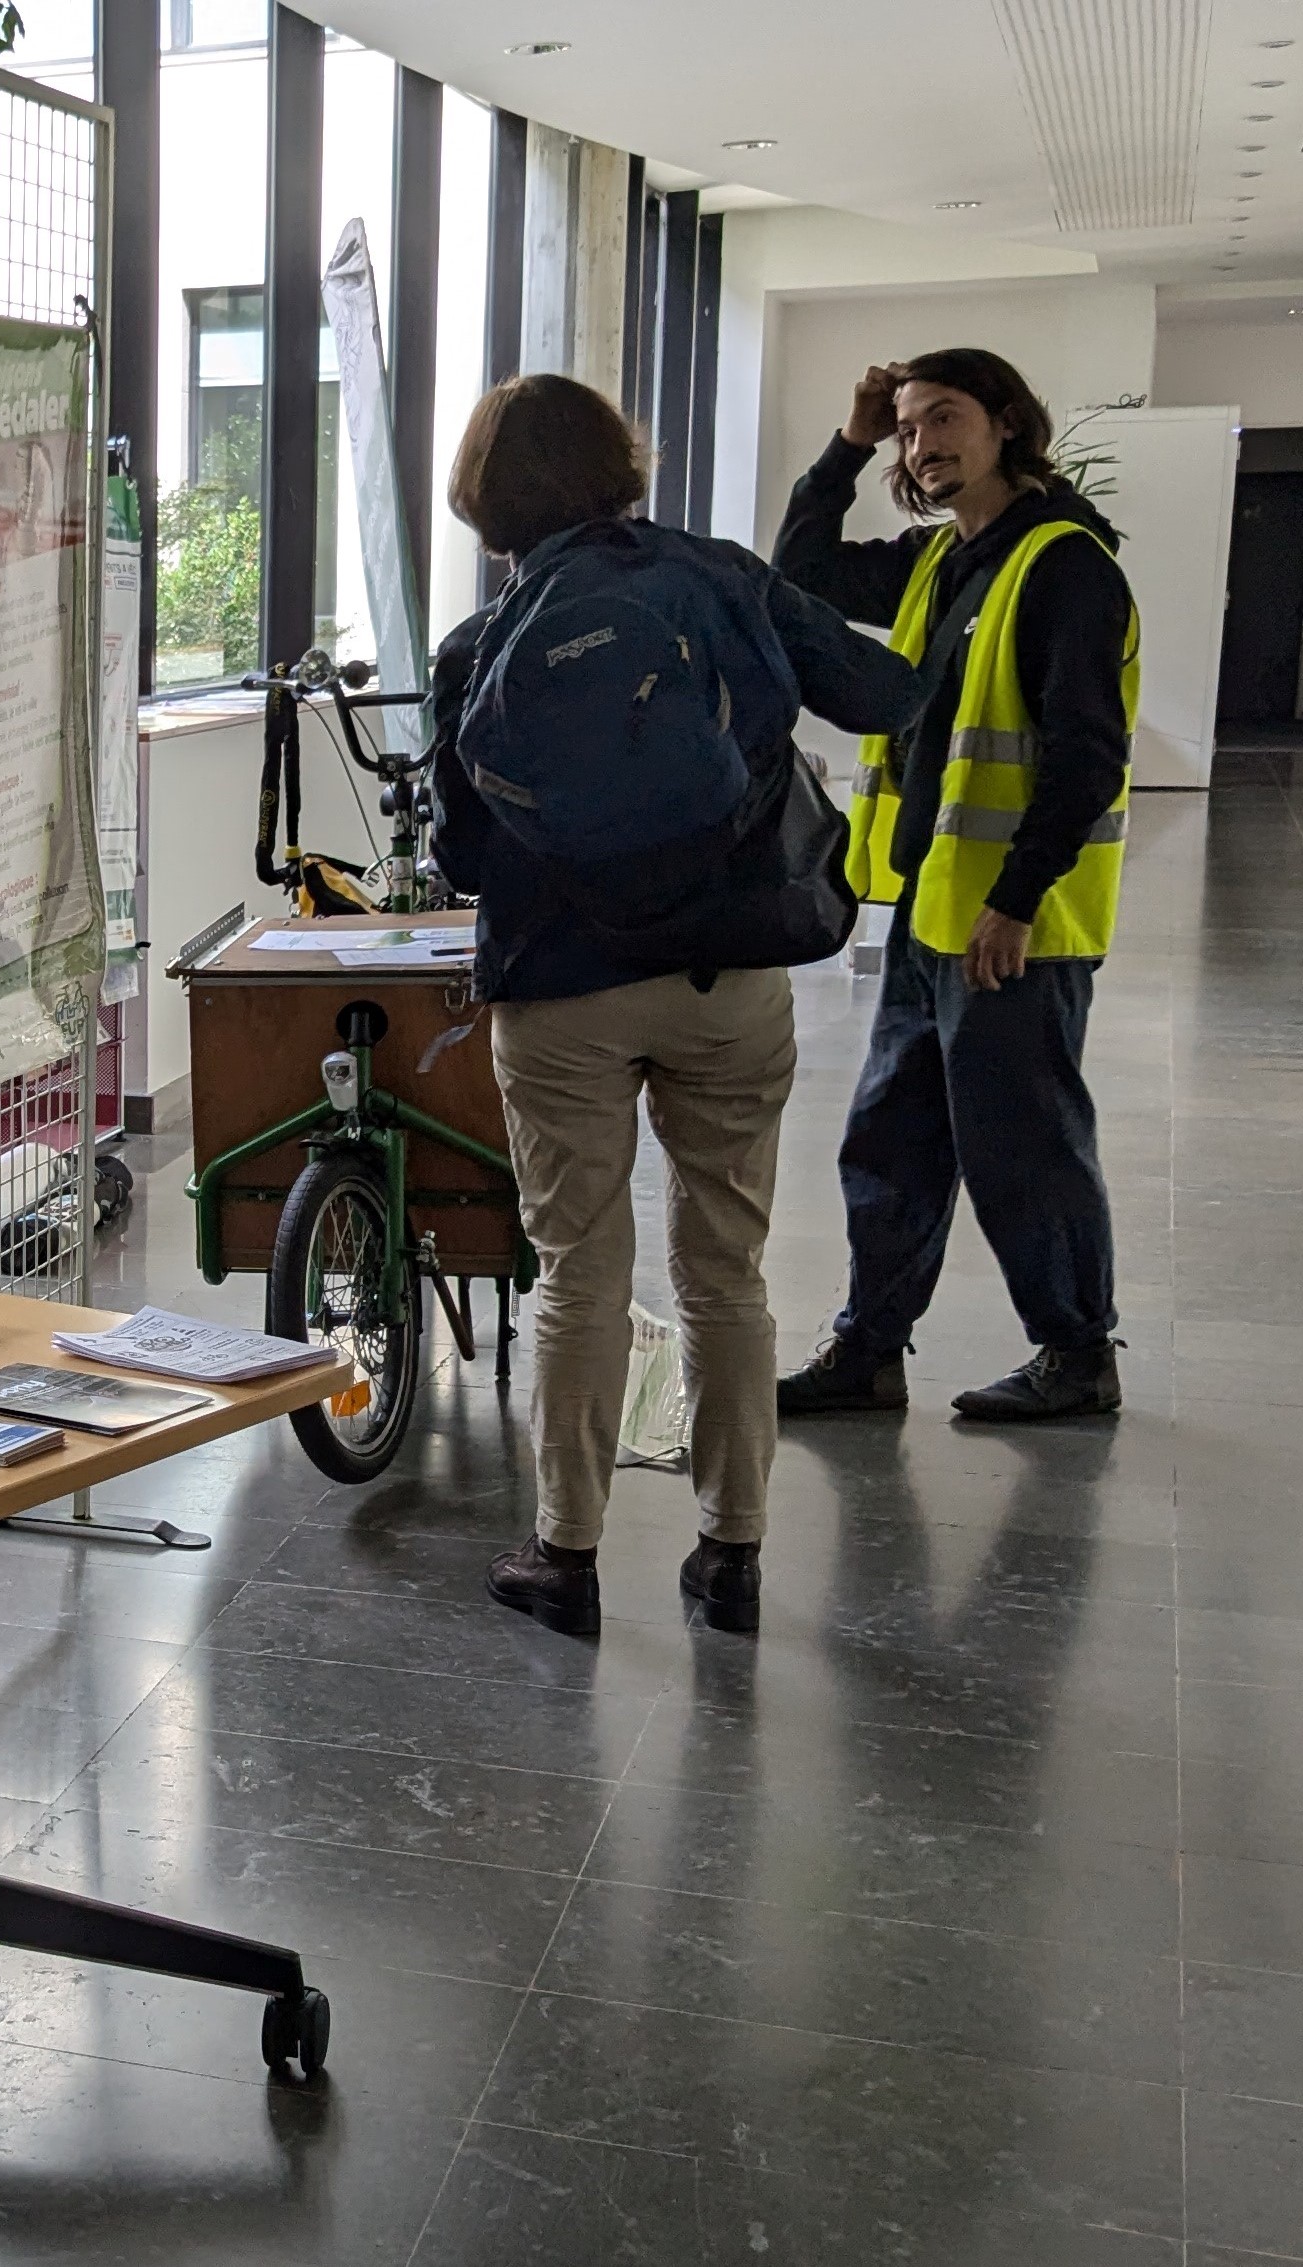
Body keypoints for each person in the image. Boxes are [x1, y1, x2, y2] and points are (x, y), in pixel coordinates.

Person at [426, 375, 923, 1639]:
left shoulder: (478, 649)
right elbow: (884, 697)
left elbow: (466, 857)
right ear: (623, 462)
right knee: (727, 1270)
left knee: (578, 1273)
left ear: (485, 502)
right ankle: (733, 1551)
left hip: (557, 992)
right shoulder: (722, 576)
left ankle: (567, 1553)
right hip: (731, 976)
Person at [773, 349, 1140, 1424]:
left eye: (945, 420)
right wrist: (847, 441)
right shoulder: (945, 562)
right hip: (933, 912)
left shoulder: (1064, 566)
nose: (924, 445)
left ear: (1008, 423)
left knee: (1025, 1148)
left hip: (1011, 929)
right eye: (908, 429)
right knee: (892, 1139)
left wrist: (1016, 899)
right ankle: (869, 1348)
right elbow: (802, 570)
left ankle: (1077, 1354)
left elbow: (1086, 756)